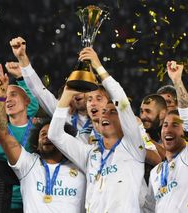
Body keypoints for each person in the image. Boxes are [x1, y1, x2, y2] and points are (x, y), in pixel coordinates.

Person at [48, 47, 147, 212]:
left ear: (124, 121)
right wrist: (67, 94)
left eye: (112, 111)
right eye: (104, 112)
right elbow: (55, 135)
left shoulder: (133, 147)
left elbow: (121, 100)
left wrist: (98, 66)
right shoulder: (90, 155)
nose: (105, 114)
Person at [0, 67, 86, 212]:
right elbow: (2, 135)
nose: (47, 137)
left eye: (52, 134)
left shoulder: (82, 166)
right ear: (36, 144)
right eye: (42, 134)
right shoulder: (28, 165)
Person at [145, 61, 188, 212]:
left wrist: (177, 81)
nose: (168, 130)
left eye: (175, 125)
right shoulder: (156, 172)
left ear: (185, 132)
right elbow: (148, 209)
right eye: (165, 125)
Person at [6, 37, 92, 139]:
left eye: (83, 88)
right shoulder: (65, 117)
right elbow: (40, 92)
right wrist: (22, 58)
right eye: (74, 89)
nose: (77, 93)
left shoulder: (108, 115)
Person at [0, 63, 39, 212]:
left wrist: (20, 76)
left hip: (35, 203)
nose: (8, 99)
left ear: (27, 101)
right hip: (1, 205)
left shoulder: (41, 132)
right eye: (5, 96)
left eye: (13, 94)